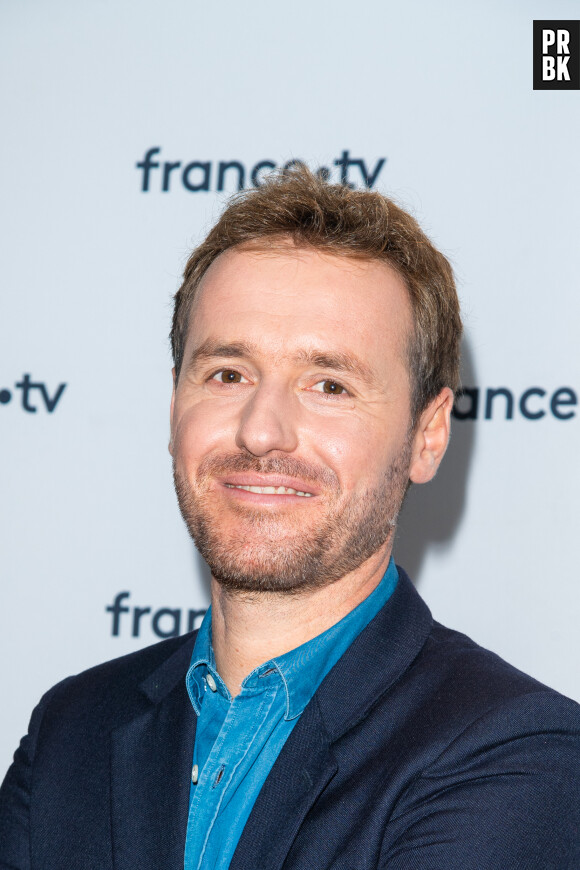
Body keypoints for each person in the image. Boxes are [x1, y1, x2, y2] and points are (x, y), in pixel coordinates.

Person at [1, 169, 579, 870]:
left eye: (329, 385)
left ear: (427, 437)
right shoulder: (73, 730)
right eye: (227, 374)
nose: (260, 430)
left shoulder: (519, 753)